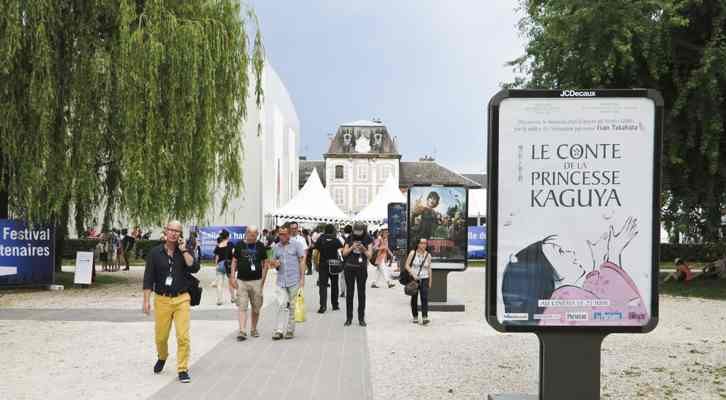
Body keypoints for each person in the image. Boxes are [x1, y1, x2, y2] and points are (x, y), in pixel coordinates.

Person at [501, 217, 648, 326]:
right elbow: (631, 315)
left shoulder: (554, 305)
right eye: (560, 251)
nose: (569, 251)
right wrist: (614, 255)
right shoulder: (565, 297)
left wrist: (599, 263)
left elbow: (597, 304)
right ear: (543, 274)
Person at [142, 220, 200, 383]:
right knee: (161, 337)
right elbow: (148, 278)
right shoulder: (154, 253)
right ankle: (162, 356)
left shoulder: (185, 251)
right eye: (171, 230)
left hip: (182, 298)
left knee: (183, 336)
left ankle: (182, 368)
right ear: (165, 231)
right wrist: (146, 300)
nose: (174, 233)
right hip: (162, 299)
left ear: (181, 234)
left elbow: (194, 267)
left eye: (177, 231)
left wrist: (184, 250)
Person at [230, 226, 268, 341]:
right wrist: (232, 276)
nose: (252, 235)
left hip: (256, 281)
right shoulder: (239, 245)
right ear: (246, 233)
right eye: (250, 233)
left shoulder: (261, 246)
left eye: (254, 233)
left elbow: (265, 264)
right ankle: (242, 331)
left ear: (257, 234)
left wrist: (262, 281)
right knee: (242, 306)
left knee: (256, 307)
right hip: (242, 281)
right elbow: (234, 261)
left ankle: (253, 328)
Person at [269, 225, 306, 340]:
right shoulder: (276, 247)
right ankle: (279, 331)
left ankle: (290, 330)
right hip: (281, 281)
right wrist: (275, 264)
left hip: (294, 280)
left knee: (292, 306)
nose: (282, 236)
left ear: (289, 234)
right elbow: (272, 262)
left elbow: (301, 261)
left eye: (284, 234)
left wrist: (302, 278)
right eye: (280, 234)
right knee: (280, 305)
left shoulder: (297, 245)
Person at [341, 222, 373, 326]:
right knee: (349, 293)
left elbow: (370, 256)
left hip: (361, 268)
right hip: (349, 268)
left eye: (360, 231)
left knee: (361, 293)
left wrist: (363, 249)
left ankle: (361, 318)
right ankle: (349, 318)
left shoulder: (368, 238)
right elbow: (344, 253)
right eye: (356, 231)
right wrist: (352, 247)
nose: (358, 234)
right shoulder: (349, 237)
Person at [315, 224, 344, 313]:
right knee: (334, 285)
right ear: (333, 231)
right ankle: (335, 305)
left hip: (323, 264)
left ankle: (323, 306)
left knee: (323, 286)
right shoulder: (335, 239)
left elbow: (316, 248)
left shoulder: (321, 238)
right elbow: (341, 246)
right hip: (334, 265)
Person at [404, 238, 433, 324]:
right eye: (422, 243)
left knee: (424, 298)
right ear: (418, 244)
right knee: (414, 298)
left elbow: (429, 268)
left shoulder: (428, 255)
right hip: (414, 279)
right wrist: (413, 274)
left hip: (425, 278)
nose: (424, 245)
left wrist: (430, 280)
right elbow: (406, 265)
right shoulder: (413, 253)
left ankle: (425, 317)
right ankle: (415, 316)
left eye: (425, 243)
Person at [213, 230, 234, 306]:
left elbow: (217, 257)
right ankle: (233, 298)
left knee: (219, 284)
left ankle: (219, 300)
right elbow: (233, 253)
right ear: (228, 236)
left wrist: (216, 266)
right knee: (231, 282)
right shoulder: (230, 244)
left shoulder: (219, 245)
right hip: (228, 264)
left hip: (220, 265)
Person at [339, 224, 352, 298]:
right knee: (350, 276)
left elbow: (338, 248)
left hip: (343, 258)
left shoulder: (340, 238)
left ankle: (342, 291)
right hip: (351, 258)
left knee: (342, 276)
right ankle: (349, 291)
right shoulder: (353, 238)